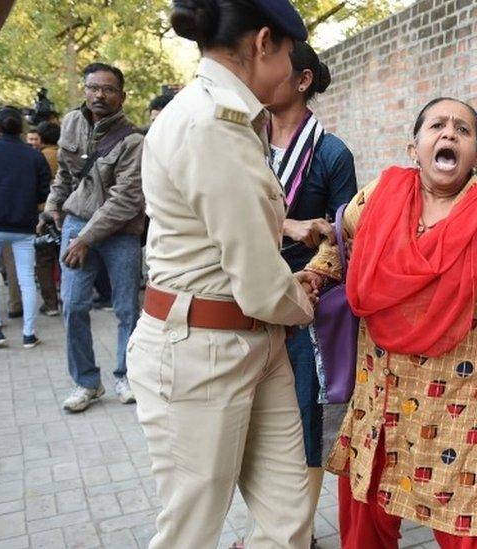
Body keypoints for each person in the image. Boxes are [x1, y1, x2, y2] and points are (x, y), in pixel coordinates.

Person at [300, 97, 477, 548]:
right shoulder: (381, 194)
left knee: (468, 523)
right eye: (437, 125)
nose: (449, 133)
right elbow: (341, 241)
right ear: (414, 148)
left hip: (460, 406)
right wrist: (315, 275)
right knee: (366, 514)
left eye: (463, 129)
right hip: (381, 395)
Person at [127, 0, 319, 547]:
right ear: (263, 44)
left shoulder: (231, 117)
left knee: (288, 521)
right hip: (201, 352)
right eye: (286, 53)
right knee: (191, 530)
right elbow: (259, 281)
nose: (289, 70)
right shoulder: (211, 123)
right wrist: (300, 301)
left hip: (256, 341)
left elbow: (237, 233)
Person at [268, 39, 357, 530]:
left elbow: (347, 238)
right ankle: (272, 525)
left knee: (306, 414)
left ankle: (296, 531)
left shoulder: (332, 152)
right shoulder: (242, 140)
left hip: (306, 299)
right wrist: (288, 224)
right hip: (242, 292)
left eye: (273, 66)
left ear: (303, 80)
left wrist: (314, 267)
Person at [41, 62, 145, 412]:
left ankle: (126, 375)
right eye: (93, 88)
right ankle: (86, 382)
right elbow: (66, 175)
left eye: (108, 89)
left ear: (121, 95)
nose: (99, 94)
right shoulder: (70, 123)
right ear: (85, 90)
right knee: (73, 306)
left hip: (120, 233)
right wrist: (54, 206)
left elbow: (127, 198)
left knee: (128, 308)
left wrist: (84, 237)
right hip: (76, 224)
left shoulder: (133, 140)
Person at [0, 107, 51, 348]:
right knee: (26, 279)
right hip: (24, 225)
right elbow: (44, 191)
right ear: (21, 127)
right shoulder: (34, 155)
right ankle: (29, 333)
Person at [35, 121, 61, 316]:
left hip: (45, 211)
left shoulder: (39, 157)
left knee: (44, 258)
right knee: (65, 256)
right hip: (66, 210)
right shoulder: (66, 154)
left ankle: (51, 303)